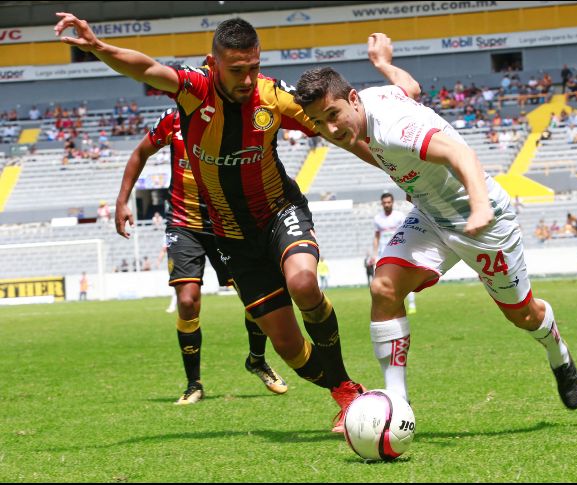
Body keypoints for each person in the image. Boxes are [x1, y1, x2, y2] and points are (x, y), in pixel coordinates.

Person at [58, 13, 364, 431]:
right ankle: (347, 390)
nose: (246, 78)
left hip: (279, 211)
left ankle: (348, 395)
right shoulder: (195, 89)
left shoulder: (272, 96)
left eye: (253, 68)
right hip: (233, 237)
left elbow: (338, 127)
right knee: (292, 351)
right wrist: (98, 48)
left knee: (304, 283)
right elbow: (147, 67)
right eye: (237, 70)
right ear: (212, 63)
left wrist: (392, 162)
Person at [295, 33, 577, 410]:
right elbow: (409, 87)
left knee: (524, 315)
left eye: (332, 116)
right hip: (432, 216)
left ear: (352, 100)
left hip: (480, 219)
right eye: (318, 122)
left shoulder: (394, 129)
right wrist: (383, 64)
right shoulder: (368, 103)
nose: (330, 130)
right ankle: (396, 405)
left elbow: (460, 153)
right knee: (384, 288)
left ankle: (557, 352)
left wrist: (480, 207)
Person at [116, 107, 288, 403]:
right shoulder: (173, 118)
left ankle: (257, 360)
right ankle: (193, 384)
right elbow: (139, 153)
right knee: (186, 301)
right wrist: (121, 201)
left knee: (254, 299)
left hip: (228, 222)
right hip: (184, 223)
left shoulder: (236, 116)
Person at [371, 192, 417, 315]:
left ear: (392, 202)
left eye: (389, 202)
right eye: (384, 202)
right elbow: (376, 237)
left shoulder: (399, 216)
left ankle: (412, 304)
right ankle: (390, 305)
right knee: (383, 280)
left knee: (405, 278)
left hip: (398, 251)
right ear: (381, 203)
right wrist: (374, 255)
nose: (387, 204)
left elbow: (407, 232)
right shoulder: (377, 219)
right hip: (383, 254)